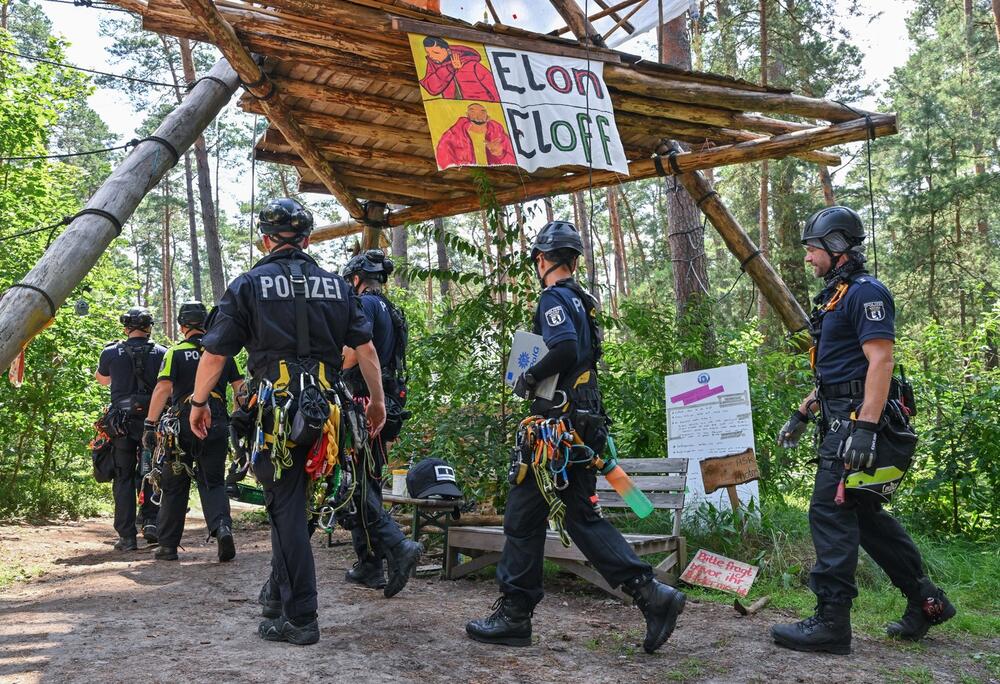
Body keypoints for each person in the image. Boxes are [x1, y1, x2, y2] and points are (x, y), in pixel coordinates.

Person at [465, 221, 686, 654]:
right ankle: (648, 594)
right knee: (557, 518)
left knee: (536, 518)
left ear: (542, 260)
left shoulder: (553, 297)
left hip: (557, 430)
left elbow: (564, 347)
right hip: (579, 425)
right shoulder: (583, 302)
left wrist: (529, 375)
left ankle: (517, 615)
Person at [188, 197, 389, 646]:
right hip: (327, 413)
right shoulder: (338, 287)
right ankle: (277, 598)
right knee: (291, 506)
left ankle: (301, 615)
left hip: (276, 412)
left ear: (266, 238)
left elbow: (216, 353)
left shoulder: (249, 285)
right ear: (307, 239)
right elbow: (368, 351)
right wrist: (377, 402)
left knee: (286, 510)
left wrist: (198, 402)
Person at [771, 206, 955, 655]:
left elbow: (880, 361)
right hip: (840, 417)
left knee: (830, 514)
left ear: (836, 247)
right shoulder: (838, 295)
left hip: (856, 427)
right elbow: (839, 372)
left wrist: (866, 429)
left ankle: (832, 623)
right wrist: (803, 412)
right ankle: (927, 601)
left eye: (812, 249)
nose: (808, 258)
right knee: (866, 518)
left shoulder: (866, 293)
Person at [340, 249, 420, 596]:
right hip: (385, 401)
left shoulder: (364, 306)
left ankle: (397, 546)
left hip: (365, 404)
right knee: (366, 480)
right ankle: (369, 563)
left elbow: (355, 352)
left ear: (356, 279)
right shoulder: (391, 308)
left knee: (356, 484)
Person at [143, 301, 244, 562]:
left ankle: (167, 546)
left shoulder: (175, 352)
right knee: (213, 480)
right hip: (217, 419)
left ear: (182, 326)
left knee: (174, 482)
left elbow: (163, 389)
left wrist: (150, 425)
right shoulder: (222, 353)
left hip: (181, 423)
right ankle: (222, 528)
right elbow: (239, 387)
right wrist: (239, 418)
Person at [95, 307, 166, 551]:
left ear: (126, 327)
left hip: (121, 424)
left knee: (123, 477)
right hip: (153, 422)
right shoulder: (163, 353)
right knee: (152, 471)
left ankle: (127, 537)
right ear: (149, 328)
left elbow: (102, 380)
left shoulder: (111, 352)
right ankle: (151, 522)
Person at [435, 103, 516, 169]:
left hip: (495, 176)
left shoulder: (498, 133)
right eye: (472, 112)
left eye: (482, 112)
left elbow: (512, 159)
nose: (478, 116)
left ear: (487, 115)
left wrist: (500, 154)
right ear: (467, 114)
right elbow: (443, 157)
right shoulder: (453, 135)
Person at [419, 36, 499, 101]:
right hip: (455, 110)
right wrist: (450, 68)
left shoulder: (472, 65)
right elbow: (431, 88)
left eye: (436, 53)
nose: (432, 56)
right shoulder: (433, 65)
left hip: (482, 108)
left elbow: (495, 90)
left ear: (448, 51)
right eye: (428, 53)